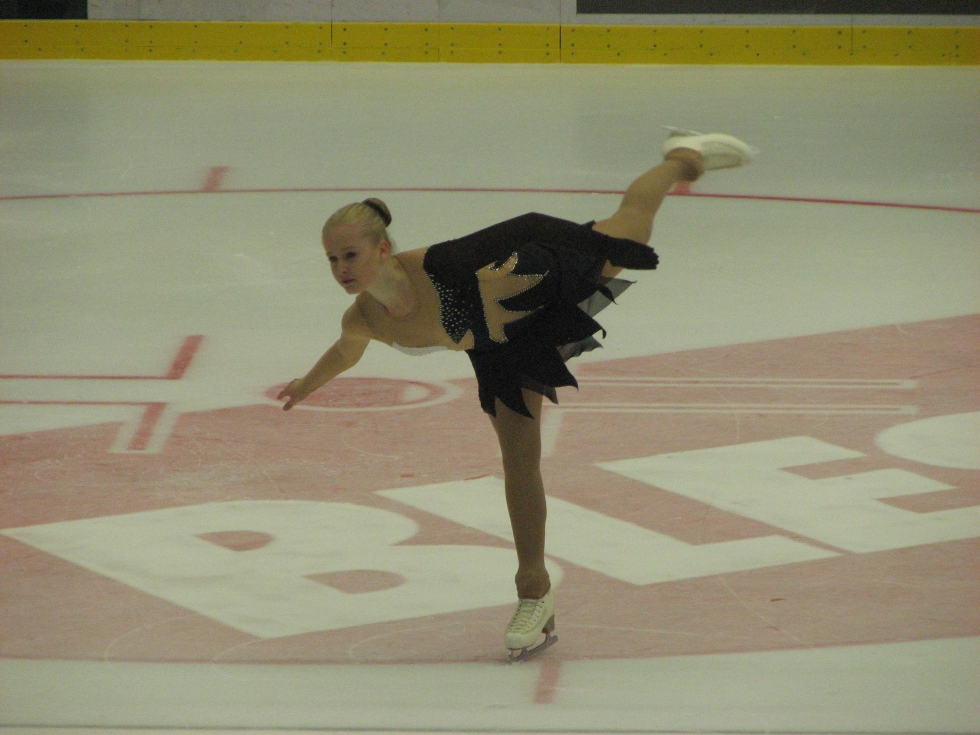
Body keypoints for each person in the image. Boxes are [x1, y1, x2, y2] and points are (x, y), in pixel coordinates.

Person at [278, 129, 754, 662]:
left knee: (633, 220)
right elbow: (346, 350)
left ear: (381, 248)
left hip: (538, 282)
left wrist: (603, 249)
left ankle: (682, 157)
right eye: (332, 260)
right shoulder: (365, 317)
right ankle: (534, 593)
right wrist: (305, 385)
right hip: (501, 350)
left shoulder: (440, 266)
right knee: (520, 461)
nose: (341, 269)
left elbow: (528, 225)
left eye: (350, 255)